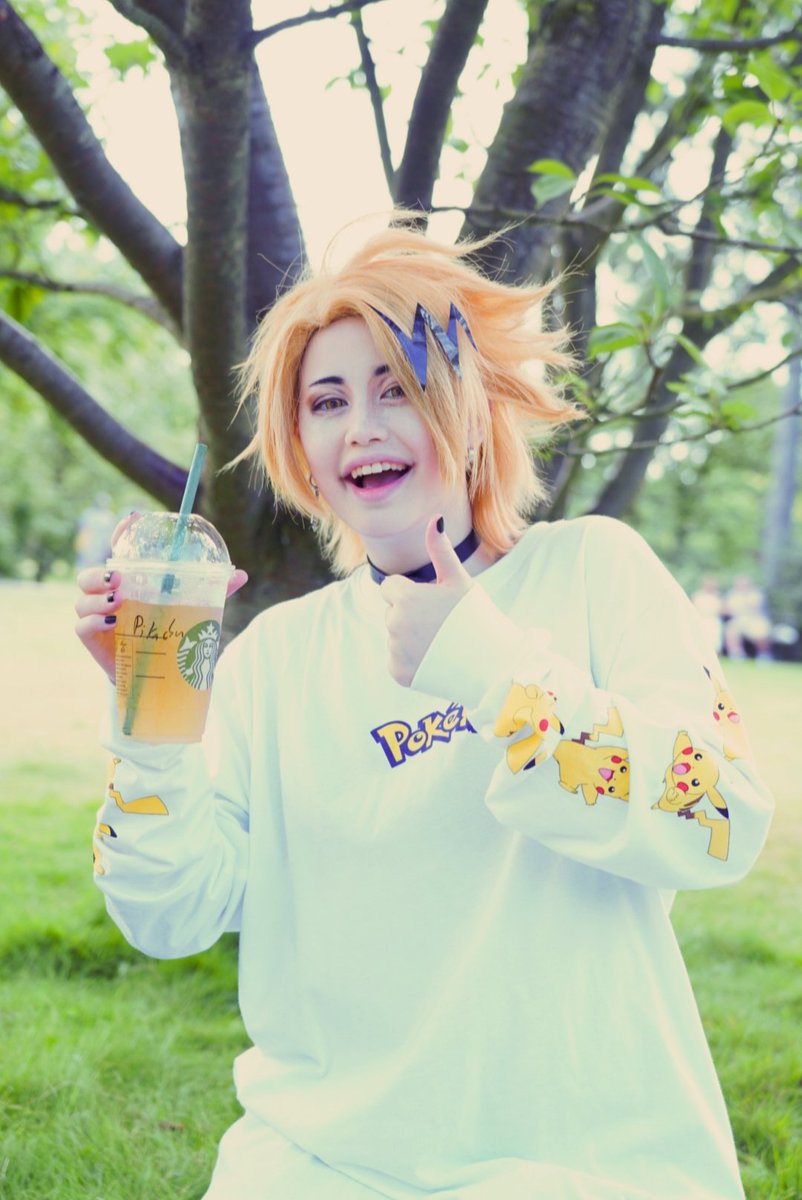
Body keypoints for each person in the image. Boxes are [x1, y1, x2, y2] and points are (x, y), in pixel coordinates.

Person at [75, 216, 774, 1200]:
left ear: (471, 408)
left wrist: (490, 670)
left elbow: (721, 818)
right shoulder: (275, 657)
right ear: (302, 449)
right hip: (322, 1164)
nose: (360, 426)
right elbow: (171, 914)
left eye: (396, 388)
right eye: (326, 402)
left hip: (579, 1164)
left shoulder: (594, 572)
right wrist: (151, 723)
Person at [723, 574, 773, 662]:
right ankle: (736, 654)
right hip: (738, 620)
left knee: (761, 631)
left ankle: (763, 655)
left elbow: (754, 606)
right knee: (730, 631)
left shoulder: (756, 594)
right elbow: (726, 609)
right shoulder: (732, 594)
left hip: (755, 619)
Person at [691, 574, 724, 655]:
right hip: (700, 619)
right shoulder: (697, 595)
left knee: (715, 641)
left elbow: (723, 610)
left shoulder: (718, 596)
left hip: (714, 620)